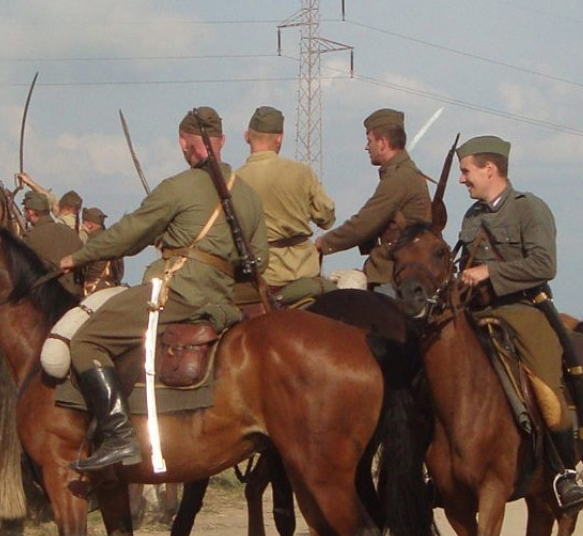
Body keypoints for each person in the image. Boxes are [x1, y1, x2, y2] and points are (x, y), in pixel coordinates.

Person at [59, 106, 266, 471]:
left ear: (185, 144)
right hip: (221, 299)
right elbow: (259, 259)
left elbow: (130, 233)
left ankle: (119, 436)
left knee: (86, 342)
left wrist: (79, 257)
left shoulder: (179, 186)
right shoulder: (248, 195)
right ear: (223, 142)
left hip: (176, 291)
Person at [454, 134, 583, 511]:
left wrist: (489, 272)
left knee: (546, 391)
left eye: (466, 171)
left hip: (523, 310)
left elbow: (545, 265)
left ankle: (565, 473)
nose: (462, 179)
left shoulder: (530, 210)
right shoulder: (472, 216)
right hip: (476, 311)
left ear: (489, 169)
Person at [317, 108, 431, 291]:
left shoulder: (400, 178)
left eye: (369, 141)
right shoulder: (402, 173)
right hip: (391, 270)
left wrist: (324, 243)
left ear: (383, 143)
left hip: (392, 275)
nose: (366, 147)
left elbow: (364, 223)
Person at [236, 105, 335, 291]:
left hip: (260, 274)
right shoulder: (302, 173)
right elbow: (326, 218)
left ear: (247, 136)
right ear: (279, 139)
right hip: (304, 273)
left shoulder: (235, 181)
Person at [21, 190, 83, 297]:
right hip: (74, 296)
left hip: (45, 298)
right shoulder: (71, 233)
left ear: (31, 212)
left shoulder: (31, 237)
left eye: (25, 210)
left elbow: (22, 270)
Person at [80, 207, 124, 294]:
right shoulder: (113, 240)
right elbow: (120, 270)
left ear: (89, 225)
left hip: (91, 290)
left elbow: (82, 268)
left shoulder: (89, 241)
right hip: (113, 288)